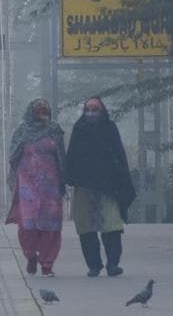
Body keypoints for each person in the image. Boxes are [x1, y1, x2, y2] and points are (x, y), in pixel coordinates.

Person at [66, 97, 136, 277]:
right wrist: (69, 177)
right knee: (86, 229)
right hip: (84, 186)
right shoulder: (79, 129)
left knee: (111, 226)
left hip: (108, 187)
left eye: (95, 109)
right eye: (88, 109)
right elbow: (72, 155)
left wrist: (121, 179)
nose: (91, 113)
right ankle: (94, 265)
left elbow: (118, 155)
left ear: (102, 110)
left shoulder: (109, 128)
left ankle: (113, 264)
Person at [6, 98, 66, 277]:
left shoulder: (55, 130)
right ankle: (31, 255)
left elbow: (62, 157)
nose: (42, 115)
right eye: (38, 111)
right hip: (28, 186)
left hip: (51, 187)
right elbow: (13, 156)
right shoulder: (22, 130)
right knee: (27, 225)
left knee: (51, 227)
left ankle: (47, 264)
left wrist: (64, 180)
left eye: (45, 111)